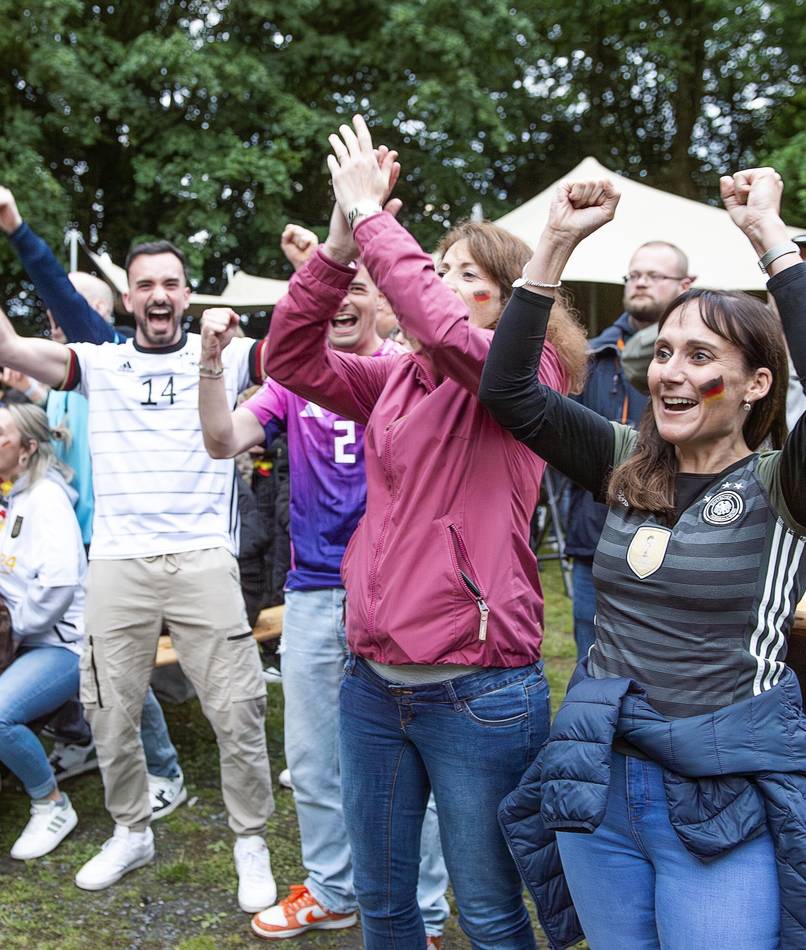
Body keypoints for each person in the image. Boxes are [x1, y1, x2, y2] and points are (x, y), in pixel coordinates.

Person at [264, 116, 588, 949]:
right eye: (435, 271)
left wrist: (376, 221)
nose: (438, 288)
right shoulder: (397, 381)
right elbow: (290, 361)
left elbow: (446, 329)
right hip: (372, 682)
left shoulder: (527, 374)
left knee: (485, 911)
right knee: (383, 903)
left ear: (515, 299)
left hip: (477, 688)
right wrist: (339, 247)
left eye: (463, 276)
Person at [482, 169, 805, 949]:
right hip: (603, 786)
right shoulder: (627, 460)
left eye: (702, 356)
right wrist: (554, 241)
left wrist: (770, 237)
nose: (673, 373)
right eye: (664, 353)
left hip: (720, 796)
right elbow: (509, 391)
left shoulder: (781, 483)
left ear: (756, 383)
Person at [0, 220, 275, 911]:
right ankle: (132, 830)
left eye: (170, 284)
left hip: (203, 556)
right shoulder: (100, 360)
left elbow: (301, 351)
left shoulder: (231, 353)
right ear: (128, 300)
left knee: (237, 710)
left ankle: (251, 840)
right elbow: (2, 346)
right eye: (145, 285)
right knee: (107, 710)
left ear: (187, 295)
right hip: (118, 562)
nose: (159, 295)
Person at [198, 236, 449, 943]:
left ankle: (427, 910)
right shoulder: (290, 379)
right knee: (311, 758)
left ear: (383, 302)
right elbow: (222, 440)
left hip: (402, 591)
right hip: (312, 591)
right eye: (329, 290)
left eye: (359, 288)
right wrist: (211, 363)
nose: (343, 300)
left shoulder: (411, 371)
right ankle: (335, 891)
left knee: (415, 756)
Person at [0, 157, 187, 817]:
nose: (51, 316)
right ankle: (87, 741)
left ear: (99, 312)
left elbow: (67, 310)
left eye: (61, 308)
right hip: (84, 542)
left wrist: (16, 229)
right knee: (100, 662)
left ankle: (166, 770)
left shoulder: (117, 360)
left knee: (120, 665)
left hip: (126, 545)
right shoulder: (67, 379)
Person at [563, 242, 693, 659]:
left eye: (654, 275)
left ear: (685, 285)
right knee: (592, 660)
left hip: (678, 539)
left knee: (667, 663)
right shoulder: (593, 356)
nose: (640, 281)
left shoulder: (704, 366)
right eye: (634, 274)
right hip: (596, 537)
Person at [0, 404, 86, 860]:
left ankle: (51, 803)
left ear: (27, 449)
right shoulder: (19, 495)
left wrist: (13, 631)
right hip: (30, 638)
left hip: (63, 644)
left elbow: (58, 585)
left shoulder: (46, 501)